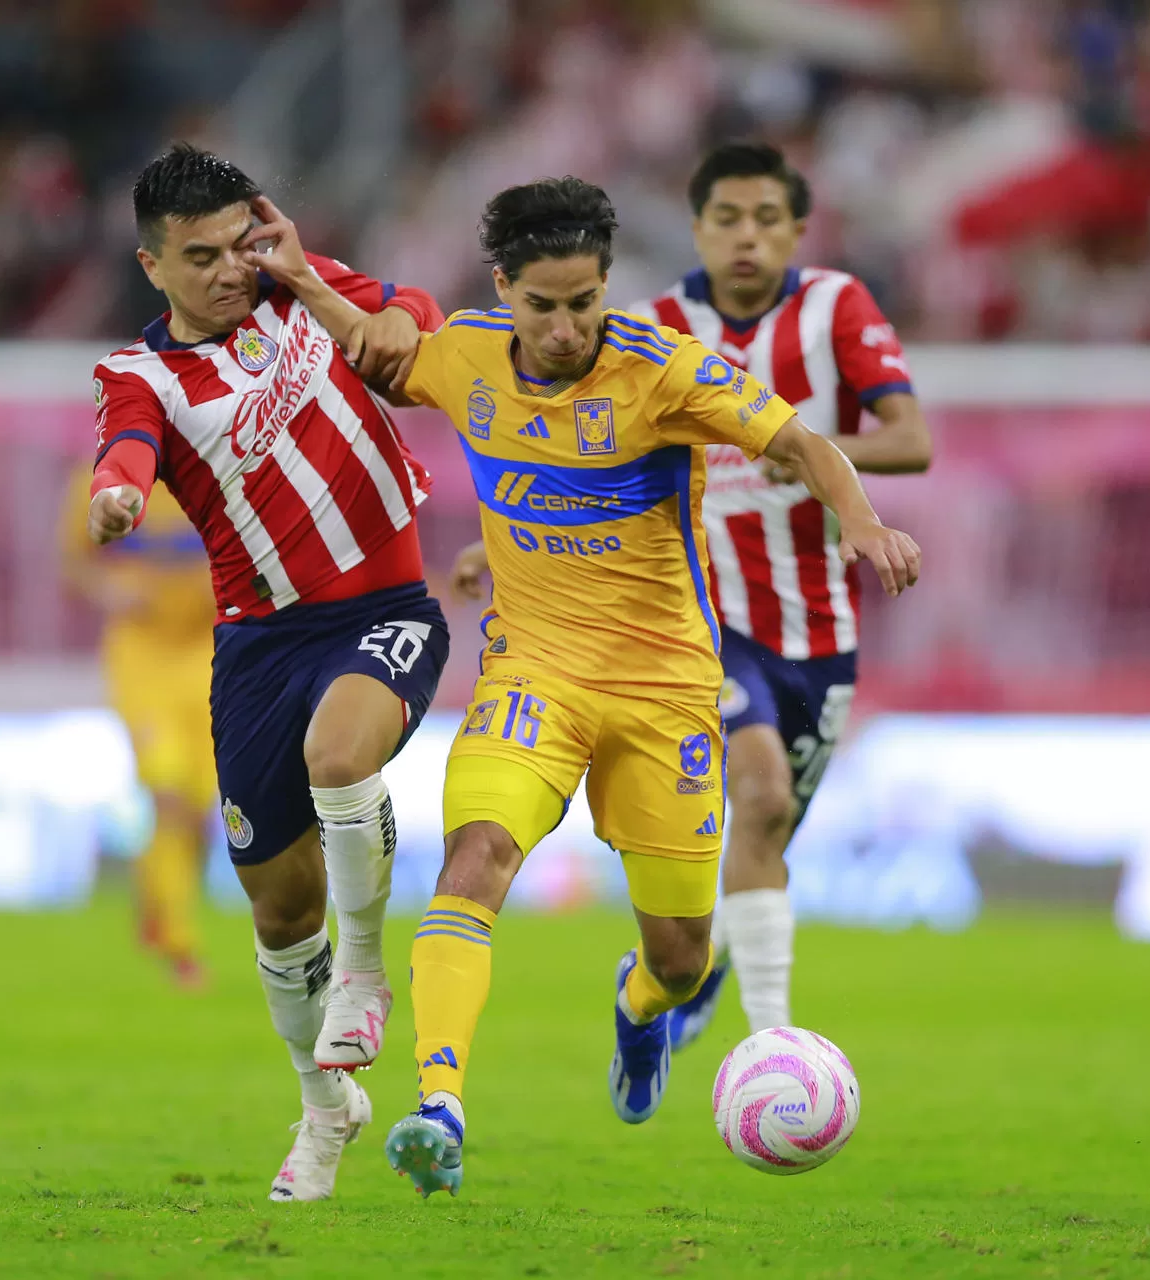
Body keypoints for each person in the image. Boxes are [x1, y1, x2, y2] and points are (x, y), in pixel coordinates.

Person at [372, 177, 921, 1197]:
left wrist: (862, 520)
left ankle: (638, 1011)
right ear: (505, 291)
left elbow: (801, 440)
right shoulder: (460, 356)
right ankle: (438, 1105)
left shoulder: (664, 371)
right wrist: (286, 272)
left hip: (667, 689)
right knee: (476, 855)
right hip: (531, 671)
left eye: (586, 300)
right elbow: (377, 345)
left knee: (678, 955)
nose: (569, 324)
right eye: (545, 304)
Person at [85, 144, 451, 1202]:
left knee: (344, 755)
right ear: (152, 264)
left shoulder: (305, 285)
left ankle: (370, 972)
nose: (223, 272)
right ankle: (322, 1108)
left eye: (235, 246)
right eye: (196, 256)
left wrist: (304, 278)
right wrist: (116, 498)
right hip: (257, 649)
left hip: (386, 611)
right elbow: (127, 448)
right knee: (280, 910)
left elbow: (413, 324)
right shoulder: (139, 375)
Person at [626, 142, 933, 1046]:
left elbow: (910, 438)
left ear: (798, 230)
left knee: (766, 835)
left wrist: (794, 445)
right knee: (756, 799)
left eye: (767, 219)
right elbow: (591, 459)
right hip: (697, 620)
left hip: (817, 623)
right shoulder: (652, 327)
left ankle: (675, 979)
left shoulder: (835, 306)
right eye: (728, 218)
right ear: (698, 229)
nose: (747, 237)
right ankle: (773, 1049)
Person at [59, 463, 217, 990]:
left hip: (207, 652)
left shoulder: (220, 474)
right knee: (167, 793)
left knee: (201, 813)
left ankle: (155, 904)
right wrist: (107, 591)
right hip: (141, 653)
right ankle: (179, 944)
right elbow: (74, 561)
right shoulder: (101, 481)